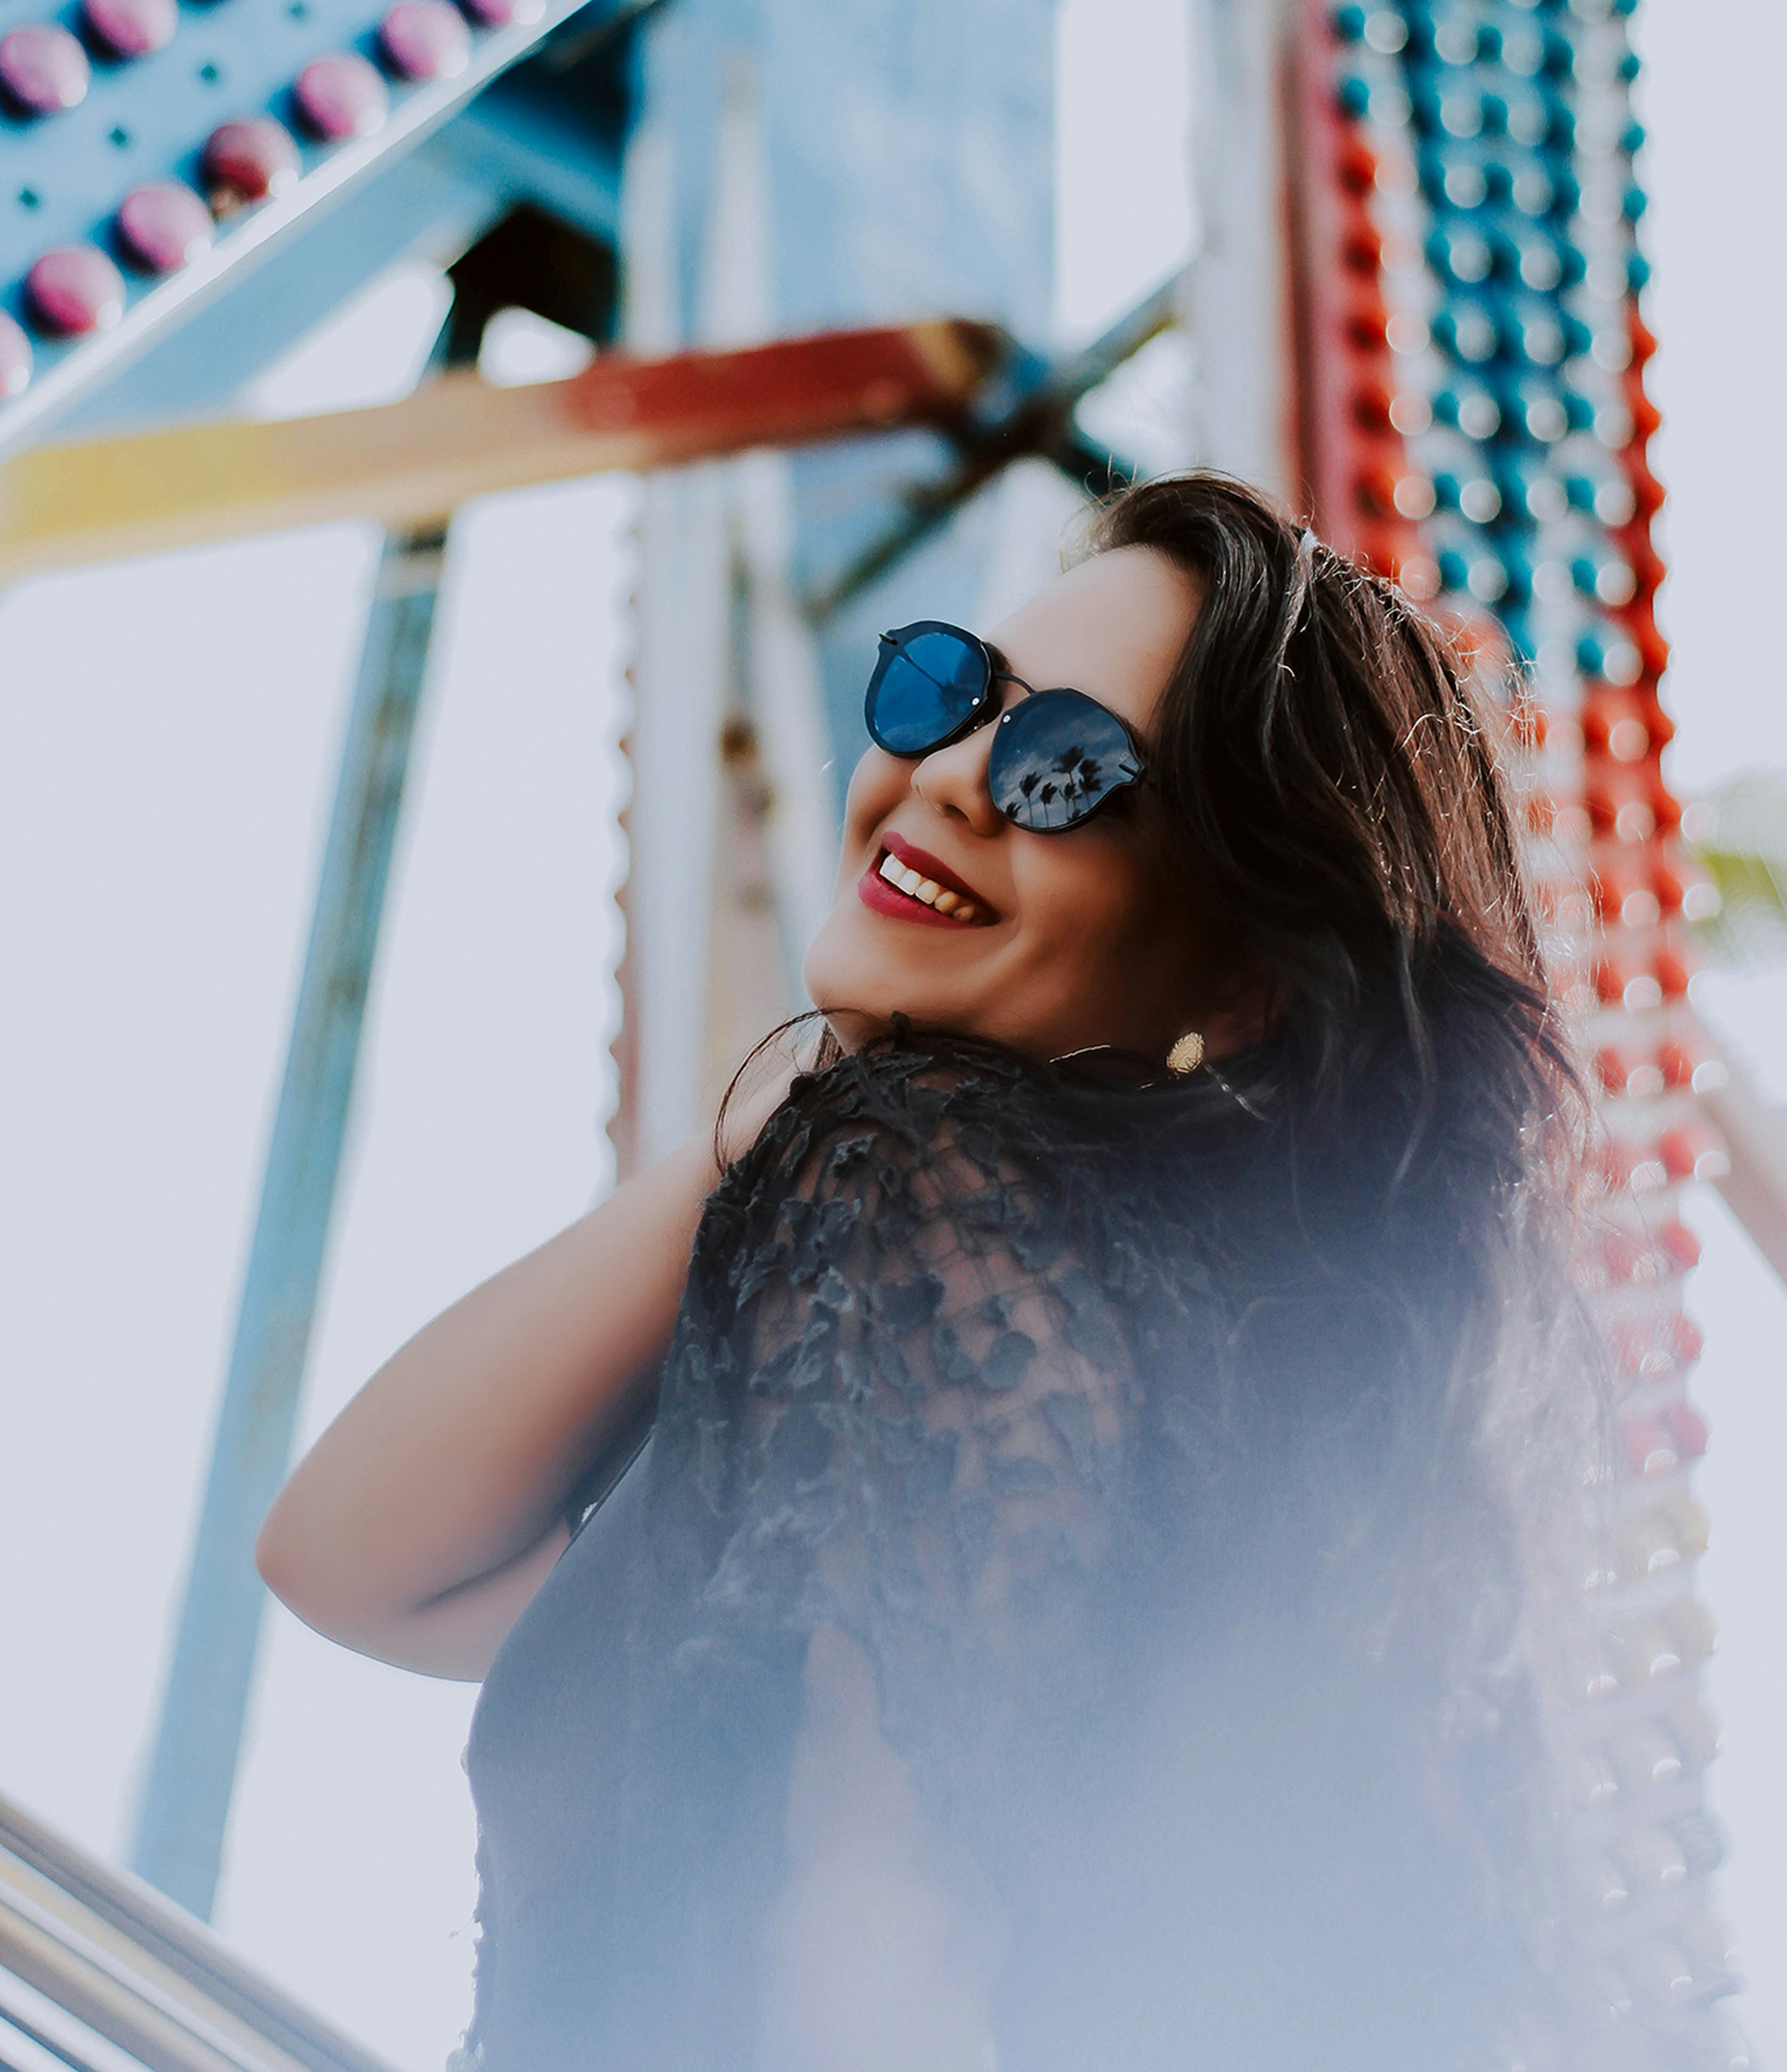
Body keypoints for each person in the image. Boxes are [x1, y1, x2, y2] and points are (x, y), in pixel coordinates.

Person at [258, 470, 1596, 2072]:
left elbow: (884, 1936)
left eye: (1069, 768)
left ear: (1240, 981)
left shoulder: (924, 1191)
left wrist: (851, 1118)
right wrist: (781, 1113)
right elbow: (356, 1557)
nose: (954, 775)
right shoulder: (1148, 1402)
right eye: (951, 691)